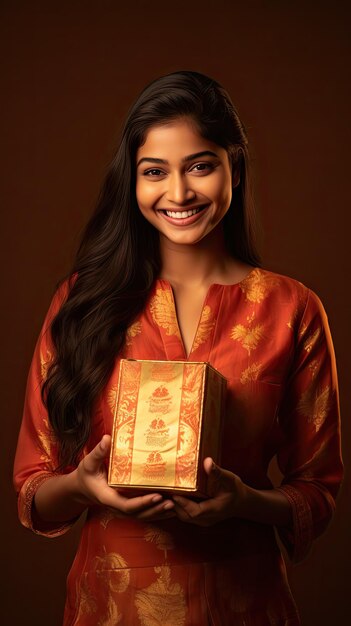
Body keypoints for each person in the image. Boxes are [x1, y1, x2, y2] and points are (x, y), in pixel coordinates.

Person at [13, 71, 343, 626]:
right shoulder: (81, 303)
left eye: (200, 165)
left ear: (233, 166)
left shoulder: (292, 309)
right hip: (110, 605)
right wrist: (84, 485)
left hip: (244, 604)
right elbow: (32, 487)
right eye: (154, 172)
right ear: (132, 183)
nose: (179, 193)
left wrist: (244, 502)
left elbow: (317, 491)